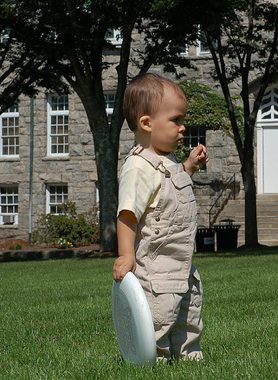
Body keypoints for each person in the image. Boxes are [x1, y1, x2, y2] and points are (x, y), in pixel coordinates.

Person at [112, 72, 207, 362]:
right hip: (156, 268)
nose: (182, 127)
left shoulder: (166, 161)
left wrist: (189, 165)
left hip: (181, 260)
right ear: (146, 123)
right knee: (158, 318)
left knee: (188, 315)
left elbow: (170, 186)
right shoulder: (138, 167)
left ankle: (189, 357)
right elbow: (128, 213)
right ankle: (155, 360)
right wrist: (126, 255)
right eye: (176, 120)